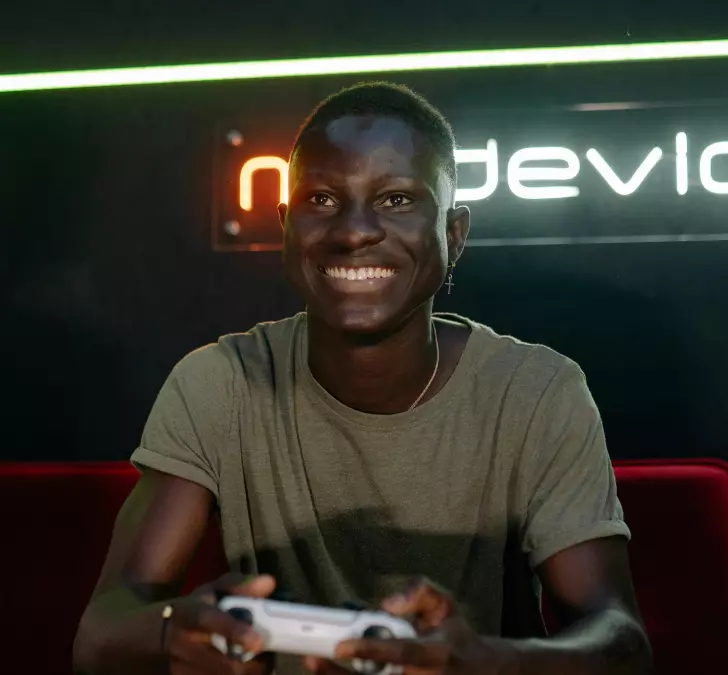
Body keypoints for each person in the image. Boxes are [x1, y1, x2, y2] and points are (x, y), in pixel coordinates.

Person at [73, 81, 652, 675]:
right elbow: (100, 635)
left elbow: (622, 644)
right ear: (286, 227)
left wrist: (481, 660)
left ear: (453, 236)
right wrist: (172, 632)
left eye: (397, 199)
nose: (353, 231)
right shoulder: (218, 382)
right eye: (321, 200)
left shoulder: (536, 390)